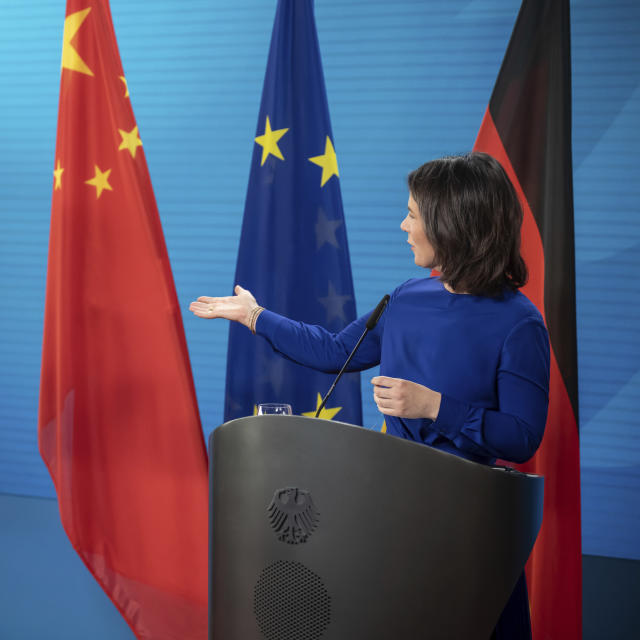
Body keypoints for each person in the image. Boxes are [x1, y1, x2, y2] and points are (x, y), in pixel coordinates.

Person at [190, 151, 549, 640]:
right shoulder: (406, 298)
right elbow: (337, 351)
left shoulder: (519, 322)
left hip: (466, 534)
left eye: (413, 215)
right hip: (391, 521)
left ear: (452, 225)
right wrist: (254, 316)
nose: (403, 226)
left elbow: (523, 436)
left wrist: (435, 408)